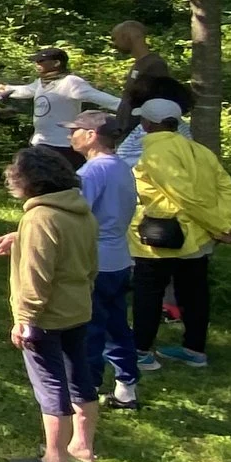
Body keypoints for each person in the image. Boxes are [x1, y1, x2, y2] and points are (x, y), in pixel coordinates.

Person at [0, 144, 100, 462]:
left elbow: (37, 276)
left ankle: (55, 460)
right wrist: (21, 236)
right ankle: (82, 446)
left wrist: (25, 319)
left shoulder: (39, 217)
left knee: (51, 383)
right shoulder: (78, 211)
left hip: (46, 317)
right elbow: (88, 262)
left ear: (28, 181)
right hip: (78, 309)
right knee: (79, 377)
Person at [129, 97, 231, 371]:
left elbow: (183, 195)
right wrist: (225, 223)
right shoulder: (199, 150)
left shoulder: (156, 152)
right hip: (199, 236)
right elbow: (226, 188)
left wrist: (220, 227)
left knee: (149, 292)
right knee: (194, 293)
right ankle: (194, 349)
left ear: (149, 123)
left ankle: (141, 350)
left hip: (163, 235)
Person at [73, 115, 143, 410]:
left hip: (95, 261)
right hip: (120, 259)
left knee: (89, 327)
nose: (71, 136)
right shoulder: (122, 167)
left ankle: (85, 391)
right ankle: (127, 387)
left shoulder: (92, 172)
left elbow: (76, 215)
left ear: (91, 135)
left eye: (75, 130)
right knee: (117, 326)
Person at [0, 48, 119, 169]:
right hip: (40, 140)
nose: (36, 64)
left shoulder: (71, 82)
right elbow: (26, 90)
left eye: (41, 61)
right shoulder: (42, 82)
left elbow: (100, 97)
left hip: (63, 145)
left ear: (56, 63)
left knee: (65, 184)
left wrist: (128, 107)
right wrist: (4, 90)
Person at [108, 20, 193, 155]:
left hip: (138, 137)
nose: (115, 44)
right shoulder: (138, 64)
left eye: (115, 38)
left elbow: (157, 101)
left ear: (127, 36)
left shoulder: (154, 65)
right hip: (126, 133)